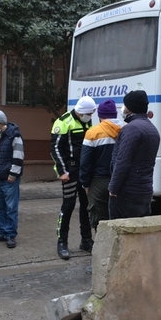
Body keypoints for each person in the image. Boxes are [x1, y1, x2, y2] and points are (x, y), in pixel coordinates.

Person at [50, 96, 96, 260]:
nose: (91, 115)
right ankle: (62, 242)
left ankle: (86, 240)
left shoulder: (87, 121)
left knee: (86, 207)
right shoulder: (63, 122)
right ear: (81, 111)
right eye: (89, 113)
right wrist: (62, 171)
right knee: (68, 206)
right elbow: (55, 149)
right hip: (69, 171)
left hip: (84, 171)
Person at [108, 91, 160, 219]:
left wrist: (113, 189)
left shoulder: (132, 129)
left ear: (130, 108)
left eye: (125, 105)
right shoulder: (153, 129)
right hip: (145, 190)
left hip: (128, 192)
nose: (123, 108)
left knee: (120, 232)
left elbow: (122, 162)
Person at [80, 99, 124, 231]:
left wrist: (85, 184)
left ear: (99, 116)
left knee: (100, 223)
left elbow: (85, 162)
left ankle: (103, 250)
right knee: (119, 221)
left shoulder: (93, 133)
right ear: (115, 114)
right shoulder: (126, 130)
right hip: (121, 183)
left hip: (98, 183)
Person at [0, 110, 24, 249]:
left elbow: (18, 156)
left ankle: (11, 235)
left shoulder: (14, 136)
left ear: (1, 123)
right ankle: (2, 232)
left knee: (11, 208)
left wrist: (13, 174)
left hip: (9, 180)